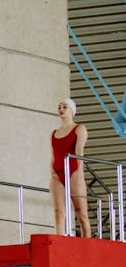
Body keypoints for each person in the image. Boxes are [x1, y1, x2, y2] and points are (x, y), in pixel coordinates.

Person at [50, 98, 91, 237]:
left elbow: (80, 152)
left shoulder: (79, 129)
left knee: (81, 213)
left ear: (71, 110)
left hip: (73, 171)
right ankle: (59, 241)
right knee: (58, 211)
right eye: (59, 107)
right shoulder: (54, 133)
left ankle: (87, 242)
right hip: (57, 173)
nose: (61, 109)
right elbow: (53, 156)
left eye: (64, 107)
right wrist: (52, 171)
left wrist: (79, 172)